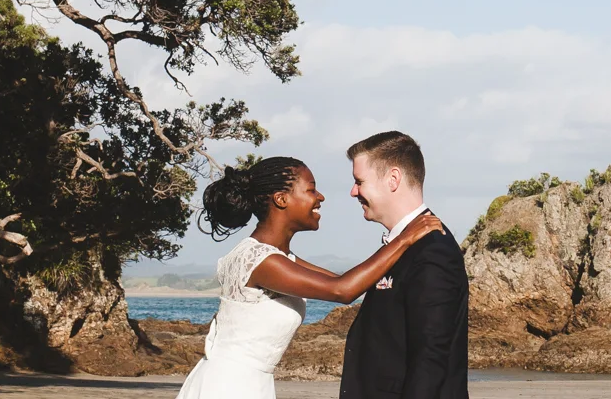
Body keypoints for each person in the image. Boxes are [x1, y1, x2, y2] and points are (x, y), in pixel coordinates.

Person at [176, 155, 444, 399]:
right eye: (311, 190)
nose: (320, 197)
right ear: (281, 199)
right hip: (230, 386)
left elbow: (346, 281)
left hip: (245, 382)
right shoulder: (262, 261)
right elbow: (342, 291)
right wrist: (404, 238)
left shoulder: (278, 257)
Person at [339, 132, 469, 399]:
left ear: (393, 179)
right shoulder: (404, 245)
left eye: (359, 181)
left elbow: (430, 360)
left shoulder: (433, 250)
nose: (353, 192)